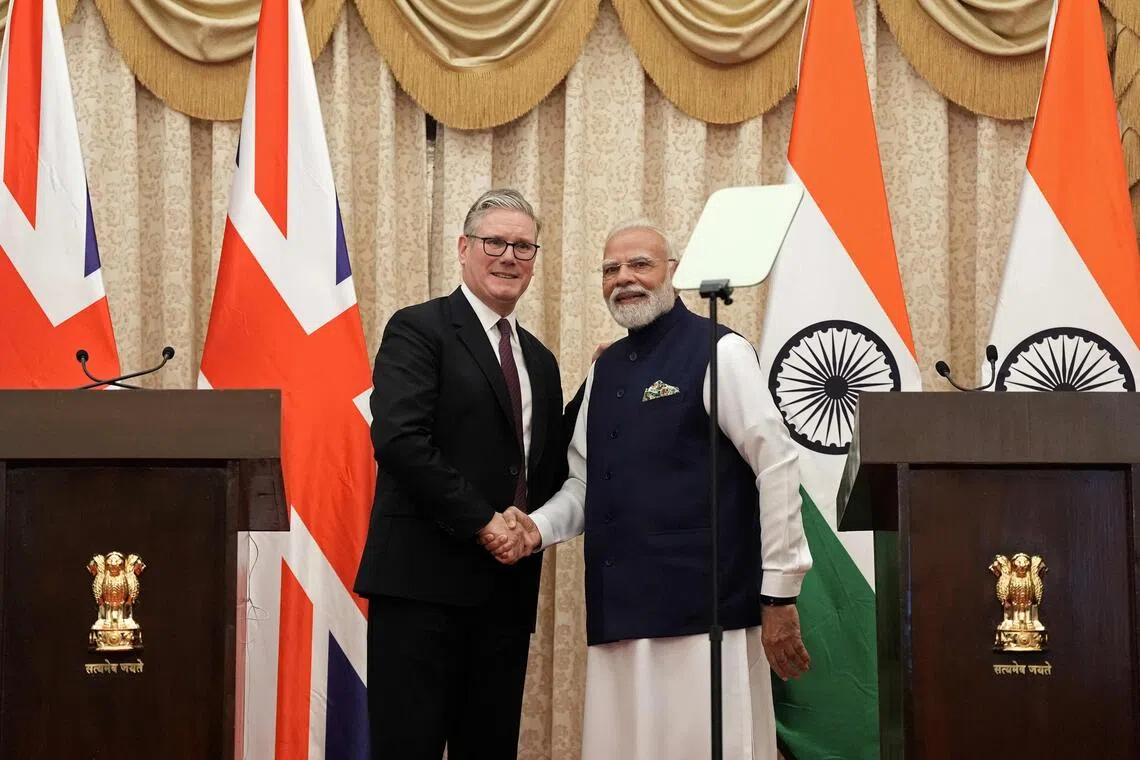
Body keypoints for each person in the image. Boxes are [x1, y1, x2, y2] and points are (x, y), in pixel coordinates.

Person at [486, 219, 813, 760]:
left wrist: (780, 592)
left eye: (640, 264)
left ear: (673, 274)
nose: (624, 279)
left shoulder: (720, 351)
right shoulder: (605, 369)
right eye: (611, 269)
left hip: (705, 615)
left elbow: (776, 465)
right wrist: (534, 531)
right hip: (620, 614)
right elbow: (585, 484)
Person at [353, 189, 567, 760]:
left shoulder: (541, 362)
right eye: (494, 241)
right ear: (464, 248)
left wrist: (606, 381)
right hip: (421, 587)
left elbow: (548, 467)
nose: (509, 256)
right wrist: (483, 522)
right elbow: (399, 440)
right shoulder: (418, 329)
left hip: (505, 593)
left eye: (523, 245)